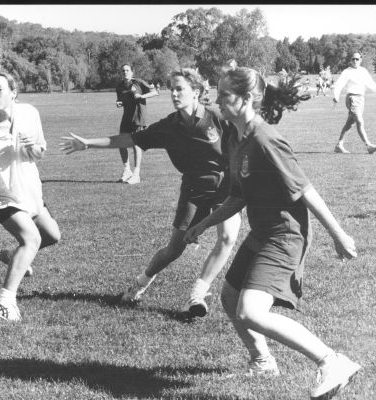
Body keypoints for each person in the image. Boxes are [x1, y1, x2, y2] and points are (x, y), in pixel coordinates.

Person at [184, 66, 361, 400]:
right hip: (261, 232)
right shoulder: (234, 138)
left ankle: (332, 361)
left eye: (224, 94)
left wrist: (339, 235)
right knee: (230, 299)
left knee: (250, 311)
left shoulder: (265, 140)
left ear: (247, 98)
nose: (216, 99)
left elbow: (305, 190)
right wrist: (204, 224)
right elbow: (239, 195)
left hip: (285, 236)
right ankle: (262, 363)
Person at [60, 68, 242, 318]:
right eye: (172, 88)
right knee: (174, 250)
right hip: (193, 189)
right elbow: (129, 139)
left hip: (224, 186)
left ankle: (198, 294)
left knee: (227, 239)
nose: (174, 93)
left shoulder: (217, 117)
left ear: (196, 93)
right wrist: (88, 143)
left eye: (180, 89)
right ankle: (140, 284)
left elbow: (242, 144)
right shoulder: (169, 126)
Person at [0, 71, 61, 322]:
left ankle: (11, 256)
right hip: (1, 197)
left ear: (13, 93)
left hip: (30, 191)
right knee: (31, 239)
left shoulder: (29, 113)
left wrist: (32, 147)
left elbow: (39, 152)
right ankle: (4, 302)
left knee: (52, 236)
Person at [115, 63, 159, 184]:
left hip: (138, 117)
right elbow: (121, 100)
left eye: (127, 70)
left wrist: (141, 95)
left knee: (136, 144)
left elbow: (155, 92)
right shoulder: (119, 87)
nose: (125, 72)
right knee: (121, 142)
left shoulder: (138, 82)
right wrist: (119, 103)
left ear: (132, 72)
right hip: (126, 118)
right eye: (123, 71)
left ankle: (136, 174)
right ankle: (127, 170)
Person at [332, 52, 376, 154]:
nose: (355, 61)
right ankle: (368, 145)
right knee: (359, 121)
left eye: (357, 59)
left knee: (349, 124)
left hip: (361, 99)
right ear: (350, 60)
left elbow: (371, 84)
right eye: (353, 59)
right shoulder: (347, 71)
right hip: (352, 98)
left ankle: (339, 145)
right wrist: (336, 95)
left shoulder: (363, 71)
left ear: (361, 60)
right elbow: (339, 84)